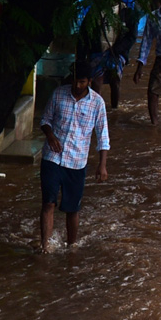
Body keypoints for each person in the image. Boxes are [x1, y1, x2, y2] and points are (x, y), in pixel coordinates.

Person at [38, 61, 110, 253]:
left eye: (82, 82)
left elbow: (103, 137)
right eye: (75, 82)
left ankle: (71, 247)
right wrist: (50, 135)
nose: (77, 86)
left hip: (77, 163)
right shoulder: (58, 94)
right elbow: (45, 120)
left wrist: (102, 166)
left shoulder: (97, 104)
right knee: (48, 202)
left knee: (72, 209)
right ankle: (44, 247)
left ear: (89, 81)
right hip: (52, 158)